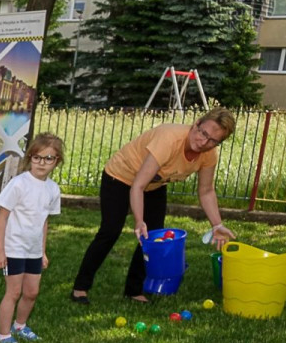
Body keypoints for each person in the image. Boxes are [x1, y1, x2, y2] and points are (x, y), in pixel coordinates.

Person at [71, 108, 237, 304]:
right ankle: (80, 287)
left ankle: (134, 290)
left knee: (153, 236)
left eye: (213, 141)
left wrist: (217, 225)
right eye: (203, 133)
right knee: (110, 230)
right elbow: (138, 185)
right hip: (121, 176)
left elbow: (206, 191)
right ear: (196, 124)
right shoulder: (169, 139)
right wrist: (139, 221)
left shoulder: (208, 154)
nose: (204, 142)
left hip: (155, 184)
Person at [0, 134, 64, 343]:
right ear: (30, 158)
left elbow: (44, 221)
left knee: (32, 292)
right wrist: (0, 250)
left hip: (33, 250)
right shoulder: (18, 184)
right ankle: (4, 334)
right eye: (37, 157)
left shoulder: (53, 189)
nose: (42, 163)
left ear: (57, 161)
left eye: (49, 158)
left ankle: (20, 325)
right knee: (13, 292)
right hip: (13, 248)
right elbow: (2, 217)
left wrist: (42, 251)